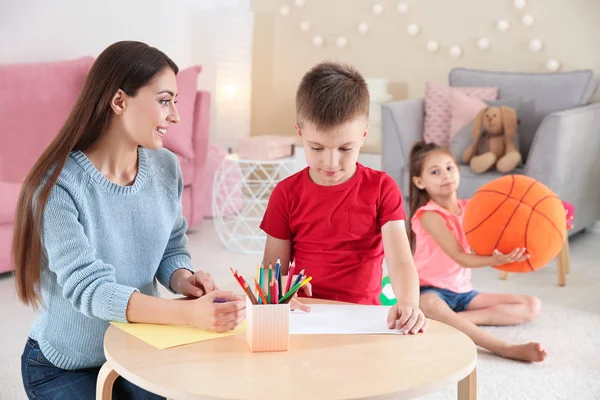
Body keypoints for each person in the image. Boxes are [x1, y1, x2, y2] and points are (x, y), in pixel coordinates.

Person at [13, 41, 245, 399]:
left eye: (175, 102)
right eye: (164, 100)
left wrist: (184, 280)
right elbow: (90, 290)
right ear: (119, 101)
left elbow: (171, 244)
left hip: (135, 350)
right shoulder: (58, 187)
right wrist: (189, 316)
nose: (175, 117)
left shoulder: (165, 166)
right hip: (64, 366)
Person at [259, 61, 427, 334]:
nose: (331, 162)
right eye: (316, 148)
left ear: (363, 135)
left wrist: (409, 303)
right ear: (300, 133)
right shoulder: (285, 193)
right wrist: (281, 296)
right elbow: (272, 269)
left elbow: (400, 261)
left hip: (364, 317)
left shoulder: (383, 188)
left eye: (345, 148)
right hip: (305, 316)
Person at [407, 140, 546, 362]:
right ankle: (505, 348)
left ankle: (452, 320)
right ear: (419, 182)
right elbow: (460, 257)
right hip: (429, 290)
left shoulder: (472, 207)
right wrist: (494, 259)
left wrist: (549, 222)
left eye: (449, 167)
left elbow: (510, 221)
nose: (445, 175)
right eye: (435, 172)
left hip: (463, 293)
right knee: (429, 305)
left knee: (531, 305)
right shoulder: (428, 215)